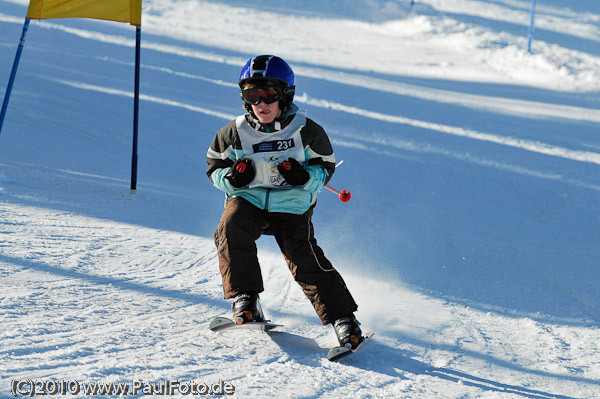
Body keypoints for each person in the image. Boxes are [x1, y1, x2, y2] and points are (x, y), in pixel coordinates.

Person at [206, 55, 363, 349]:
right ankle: (246, 298)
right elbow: (214, 166)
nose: (261, 104)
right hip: (249, 199)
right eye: (253, 95)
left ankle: (344, 319)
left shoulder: (306, 130)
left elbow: (325, 167)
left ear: (285, 95)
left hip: (291, 204)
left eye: (269, 95)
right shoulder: (235, 131)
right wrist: (233, 179)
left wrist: (303, 176)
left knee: (302, 257)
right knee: (230, 227)